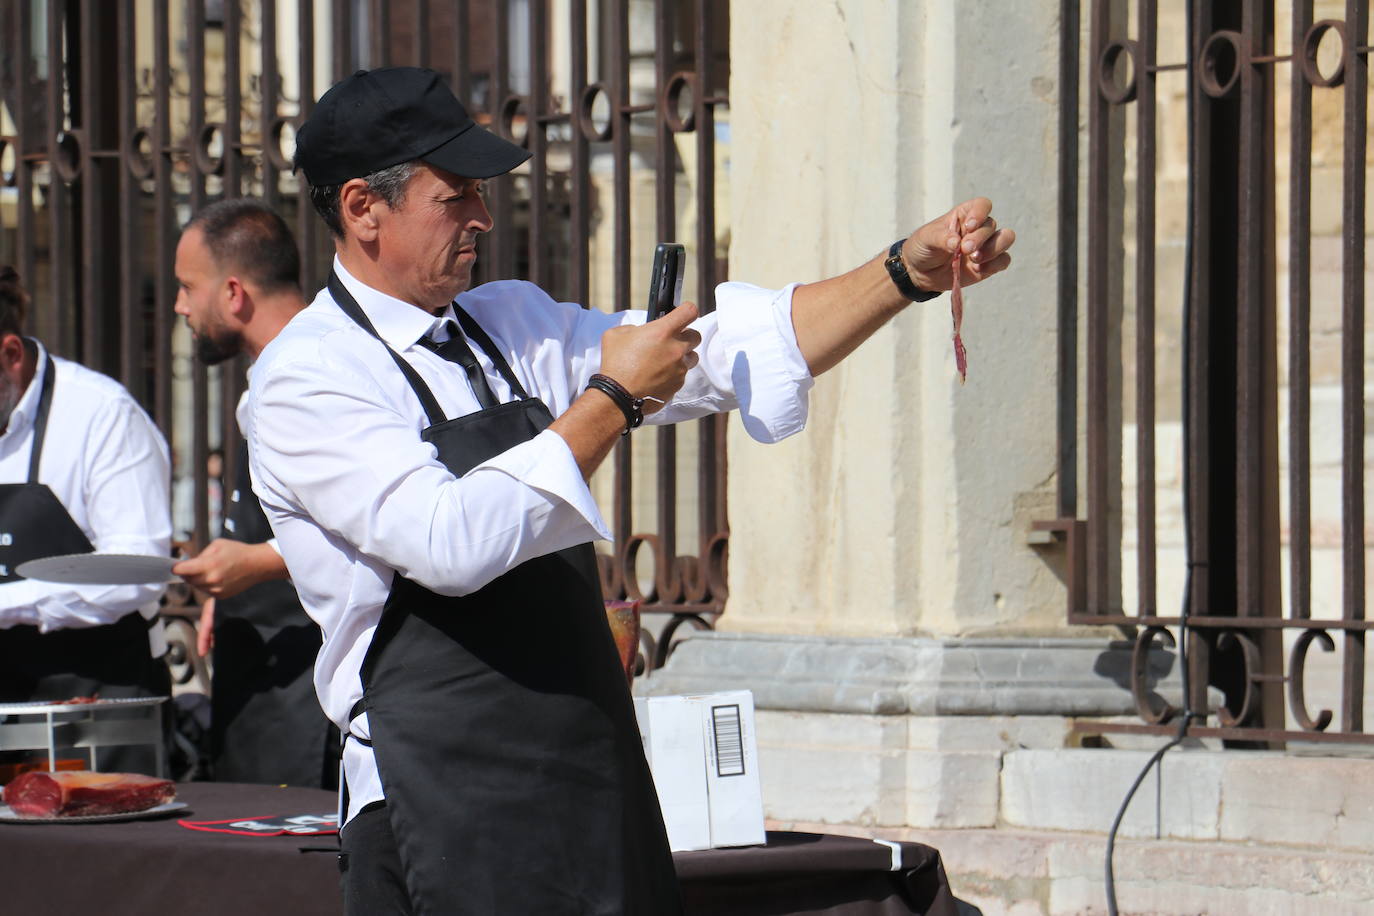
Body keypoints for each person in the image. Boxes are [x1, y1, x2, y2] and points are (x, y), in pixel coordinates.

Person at [252, 66, 1014, 915]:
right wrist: (609, 401)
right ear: (363, 209)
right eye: (455, 194)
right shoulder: (308, 376)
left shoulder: (507, 323)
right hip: (440, 804)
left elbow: (720, 351)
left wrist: (902, 274)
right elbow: (447, 542)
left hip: (587, 778)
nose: (482, 217)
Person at [168, 198, 337, 789]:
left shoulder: (321, 372)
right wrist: (231, 578)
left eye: (188, 287)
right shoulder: (266, 376)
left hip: (316, 691)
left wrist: (257, 564)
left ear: (234, 293)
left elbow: (378, 532)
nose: (179, 306)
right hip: (261, 678)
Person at [0, 265, 173, 774]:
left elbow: (134, 570)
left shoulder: (102, 415)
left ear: (10, 355)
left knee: (94, 852)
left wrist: (6, 603)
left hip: (94, 698)